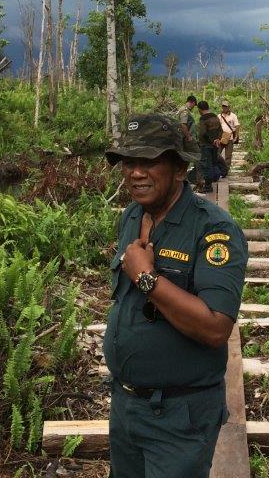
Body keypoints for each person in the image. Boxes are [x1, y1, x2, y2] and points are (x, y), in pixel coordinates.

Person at [104, 113, 248, 478]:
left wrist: (147, 277)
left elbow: (216, 328)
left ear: (180, 169)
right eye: (129, 162)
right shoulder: (131, 216)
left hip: (178, 417)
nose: (136, 172)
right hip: (125, 408)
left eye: (150, 161)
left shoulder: (213, 230)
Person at [194, 101, 223, 193]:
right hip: (215, 145)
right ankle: (216, 178)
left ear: (200, 109)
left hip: (206, 145)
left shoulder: (203, 119)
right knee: (214, 163)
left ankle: (208, 187)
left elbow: (202, 133)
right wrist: (217, 139)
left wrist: (211, 140)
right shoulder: (215, 117)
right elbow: (221, 130)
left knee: (207, 165)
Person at [217, 100, 240, 166]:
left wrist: (236, 137)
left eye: (226, 107)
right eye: (223, 106)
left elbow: (237, 126)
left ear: (228, 107)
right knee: (217, 153)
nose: (224, 108)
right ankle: (219, 167)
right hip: (221, 137)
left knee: (228, 155)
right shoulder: (219, 116)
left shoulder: (233, 116)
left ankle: (226, 170)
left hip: (230, 138)